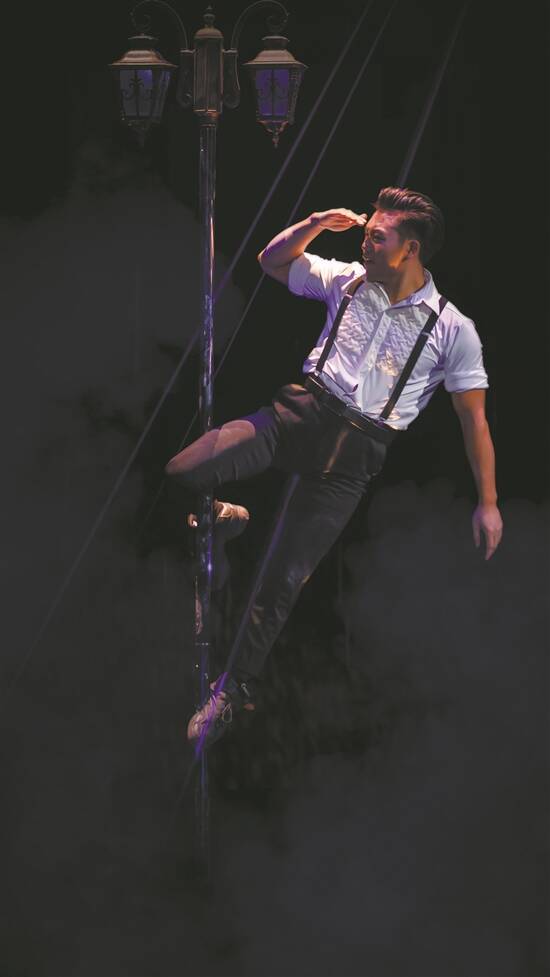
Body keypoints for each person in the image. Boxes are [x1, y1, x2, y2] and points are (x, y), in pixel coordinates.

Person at [164, 186, 504, 750]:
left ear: (410, 249)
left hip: (355, 455)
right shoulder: (346, 279)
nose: (365, 242)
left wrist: (488, 501)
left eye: (377, 236)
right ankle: (222, 515)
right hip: (299, 414)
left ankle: (232, 690)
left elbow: (475, 421)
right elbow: (272, 261)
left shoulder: (452, 329)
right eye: (367, 232)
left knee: (283, 580)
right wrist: (317, 221)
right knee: (186, 470)